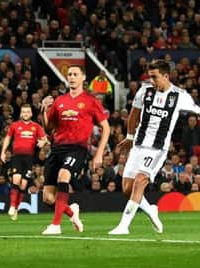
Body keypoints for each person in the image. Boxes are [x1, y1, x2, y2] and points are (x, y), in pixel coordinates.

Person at [108, 60, 199, 234]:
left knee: (140, 181)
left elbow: (197, 110)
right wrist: (129, 136)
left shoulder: (180, 96)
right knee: (127, 189)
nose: (151, 81)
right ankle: (151, 210)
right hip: (139, 146)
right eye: (149, 77)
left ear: (166, 76)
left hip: (157, 149)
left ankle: (123, 225)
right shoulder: (145, 91)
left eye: (154, 77)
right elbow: (134, 113)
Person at [40, 64, 110, 235]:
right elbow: (49, 128)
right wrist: (44, 109)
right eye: (69, 74)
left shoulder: (91, 101)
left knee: (63, 175)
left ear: (83, 78)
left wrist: (99, 153)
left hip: (77, 148)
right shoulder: (59, 101)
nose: (71, 77)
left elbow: (106, 128)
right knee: (48, 198)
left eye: (75, 74)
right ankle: (71, 212)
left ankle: (55, 225)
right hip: (57, 148)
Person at [0, 104, 48, 220]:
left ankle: (16, 208)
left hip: (30, 158)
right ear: (21, 113)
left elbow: (44, 139)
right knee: (16, 179)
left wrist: (43, 142)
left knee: (23, 185)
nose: (25, 114)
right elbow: (8, 138)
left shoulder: (36, 127)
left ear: (31, 114)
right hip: (17, 157)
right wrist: (3, 152)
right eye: (23, 112)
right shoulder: (15, 125)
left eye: (28, 112)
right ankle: (12, 206)